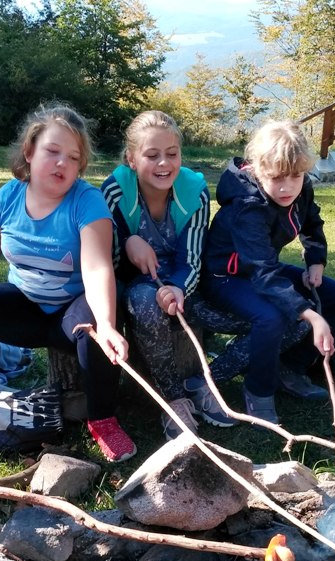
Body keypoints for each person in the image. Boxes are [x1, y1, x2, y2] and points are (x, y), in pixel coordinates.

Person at [0, 103, 136, 463]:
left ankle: (102, 419)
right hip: (24, 304)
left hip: (73, 309)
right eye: (53, 152)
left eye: (73, 157)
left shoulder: (87, 201)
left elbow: (98, 268)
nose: (62, 164)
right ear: (29, 151)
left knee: (97, 330)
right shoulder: (8, 196)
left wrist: (108, 325)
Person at [200, 120, 335, 425]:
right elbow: (263, 272)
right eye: (276, 178)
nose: (287, 187)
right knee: (270, 317)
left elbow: (311, 223)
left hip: (262, 269)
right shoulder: (247, 207)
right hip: (225, 277)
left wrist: (316, 260)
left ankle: (290, 366)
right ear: (257, 169)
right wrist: (310, 316)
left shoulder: (301, 188)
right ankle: (258, 390)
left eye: (295, 176)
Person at [101, 111, 236, 440]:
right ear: (132, 159)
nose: (164, 164)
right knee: (145, 301)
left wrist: (177, 288)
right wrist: (129, 241)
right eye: (152, 155)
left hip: (181, 284)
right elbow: (104, 258)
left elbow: (191, 257)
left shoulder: (195, 194)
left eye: (172, 154)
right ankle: (173, 399)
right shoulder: (115, 192)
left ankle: (205, 384)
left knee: (268, 318)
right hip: (133, 286)